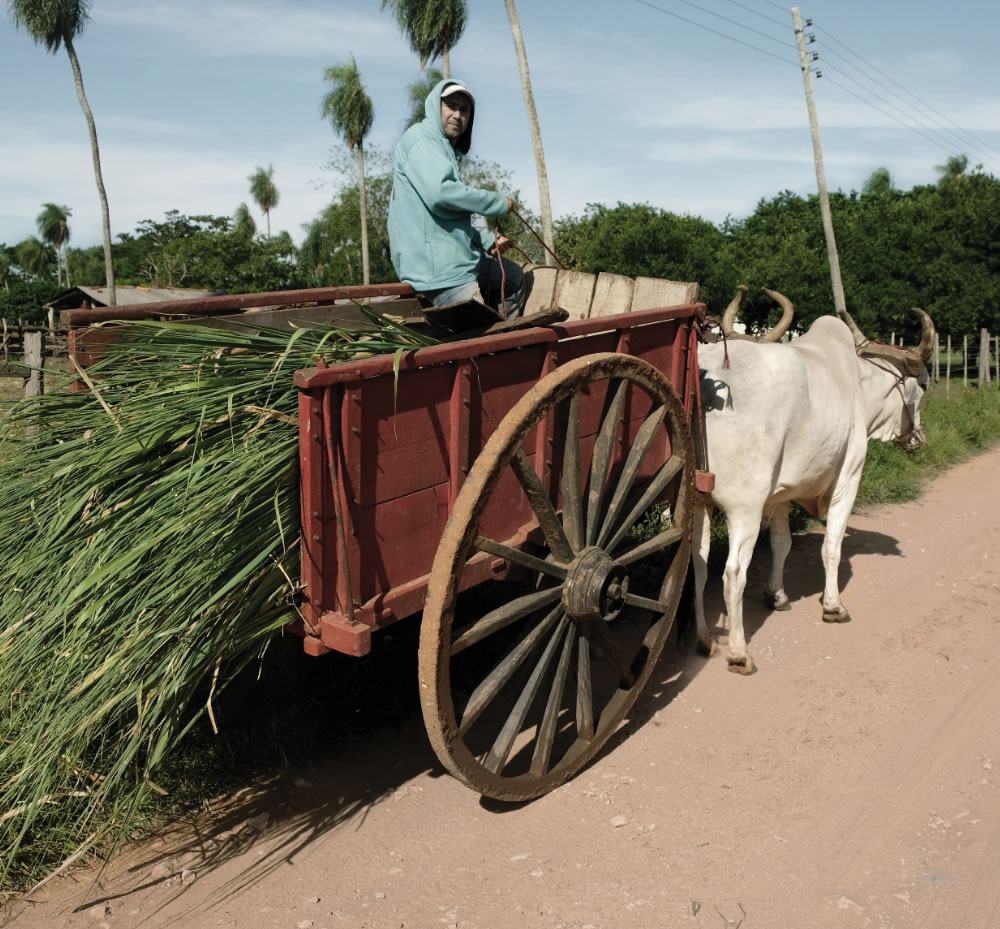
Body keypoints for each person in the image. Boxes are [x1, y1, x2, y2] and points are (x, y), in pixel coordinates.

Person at [388, 79, 527, 319]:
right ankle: (498, 349)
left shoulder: (445, 150)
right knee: (478, 345)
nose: (457, 114)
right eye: (451, 106)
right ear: (436, 106)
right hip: (439, 270)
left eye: (464, 110)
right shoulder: (422, 141)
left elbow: (446, 224)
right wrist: (499, 202)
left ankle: (505, 334)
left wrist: (485, 239)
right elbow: (440, 196)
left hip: (455, 258)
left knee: (513, 278)